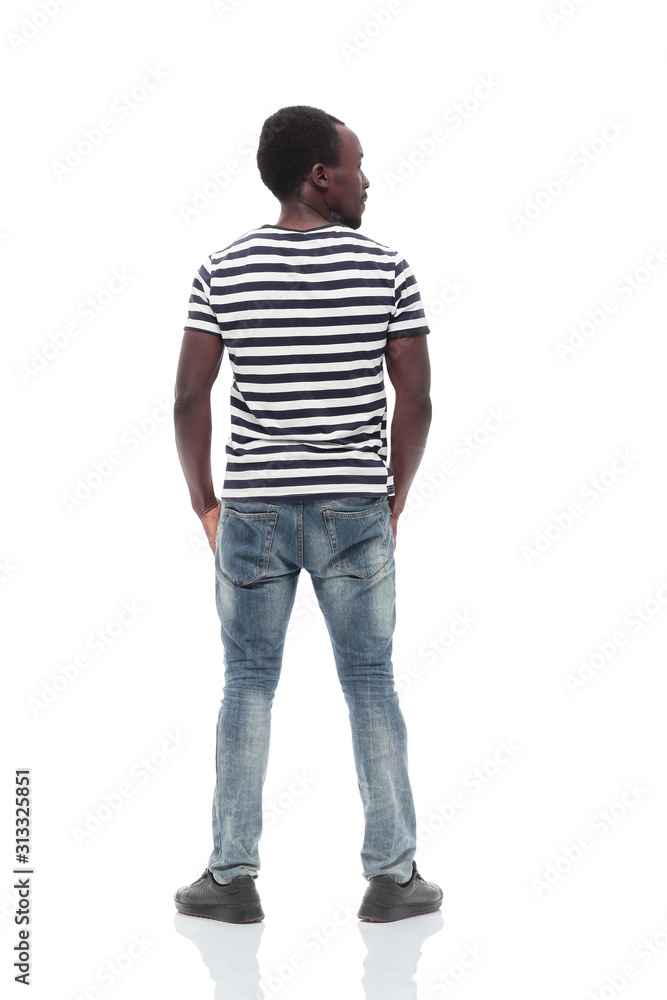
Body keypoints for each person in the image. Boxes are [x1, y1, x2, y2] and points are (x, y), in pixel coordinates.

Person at [173, 105, 442, 923]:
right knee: (370, 682)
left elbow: (189, 395)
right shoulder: (385, 269)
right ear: (319, 176)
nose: (366, 177)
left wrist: (206, 504)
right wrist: (390, 497)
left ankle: (229, 880)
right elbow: (418, 398)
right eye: (356, 163)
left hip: (252, 509)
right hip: (352, 507)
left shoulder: (222, 268)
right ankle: (393, 879)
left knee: (247, 684)